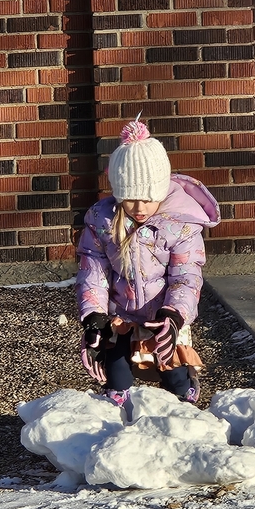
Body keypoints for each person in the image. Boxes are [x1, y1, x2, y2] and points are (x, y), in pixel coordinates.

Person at [76, 118, 220, 407]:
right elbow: (93, 272)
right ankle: (117, 411)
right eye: (129, 199)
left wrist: (175, 314)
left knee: (172, 371)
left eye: (148, 198)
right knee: (115, 373)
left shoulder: (180, 223)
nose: (139, 208)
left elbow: (186, 276)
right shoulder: (102, 222)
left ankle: (182, 399)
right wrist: (94, 316)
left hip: (164, 316)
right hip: (121, 316)